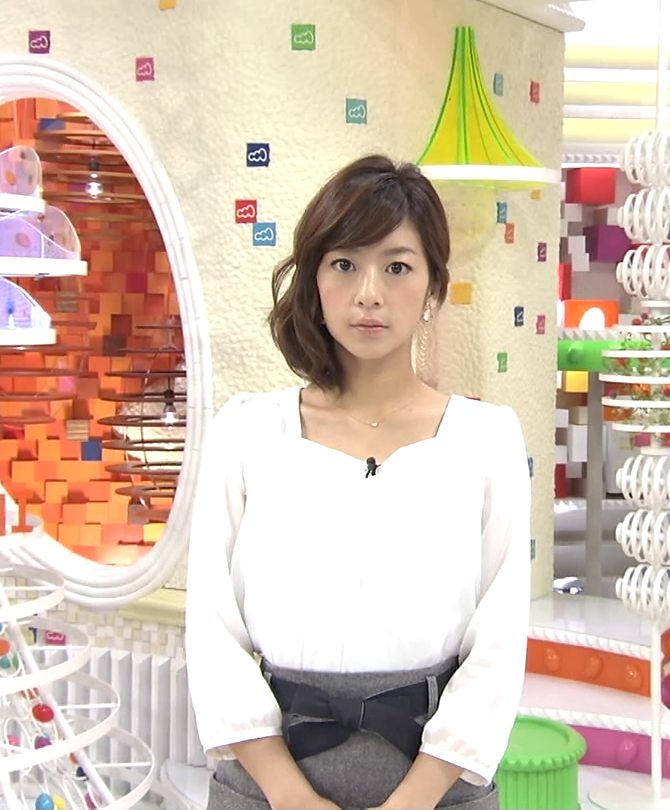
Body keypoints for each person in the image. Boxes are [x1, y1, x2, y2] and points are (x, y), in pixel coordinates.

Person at [185, 155, 531, 810]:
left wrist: (412, 801)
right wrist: (290, 796)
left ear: (433, 288)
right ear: (315, 281)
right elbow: (212, 630)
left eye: (397, 267)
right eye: (344, 264)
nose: (369, 293)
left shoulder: (487, 439)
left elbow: (500, 642)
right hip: (268, 784)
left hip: (438, 785)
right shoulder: (247, 431)